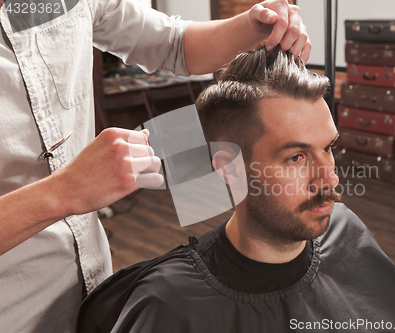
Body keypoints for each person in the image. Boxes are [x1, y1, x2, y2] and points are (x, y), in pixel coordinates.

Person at [76, 47, 395, 333]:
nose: (328, 180)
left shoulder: (344, 229)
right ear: (228, 170)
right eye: (296, 158)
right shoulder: (168, 303)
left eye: (328, 148)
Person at [0, 0, 311, 331]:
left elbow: (176, 44)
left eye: (328, 147)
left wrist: (251, 26)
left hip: (94, 291)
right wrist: (64, 191)